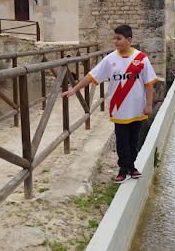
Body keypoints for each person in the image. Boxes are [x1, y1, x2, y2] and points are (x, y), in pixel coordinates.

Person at [60, 25, 158, 184]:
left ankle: (131, 167)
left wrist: (149, 104)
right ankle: (123, 168)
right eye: (114, 38)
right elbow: (92, 76)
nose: (115, 41)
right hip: (119, 108)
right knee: (122, 139)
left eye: (118, 39)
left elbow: (149, 83)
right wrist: (74, 89)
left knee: (133, 139)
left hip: (137, 107)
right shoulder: (110, 59)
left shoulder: (141, 59)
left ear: (128, 40)